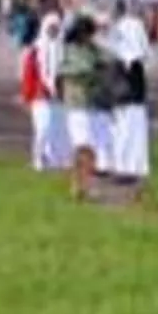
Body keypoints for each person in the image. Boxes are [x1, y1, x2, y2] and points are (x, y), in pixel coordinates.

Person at [55, 14, 108, 202]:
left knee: (90, 148)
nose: (90, 37)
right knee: (82, 147)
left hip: (91, 104)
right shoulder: (71, 51)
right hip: (77, 105)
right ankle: (79, 185)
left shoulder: (92, 49)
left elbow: (109, 58)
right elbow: (77, 70)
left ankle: (83, 186)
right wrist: (96, 70)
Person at [106, 6, 153, 194]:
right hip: (126, 101)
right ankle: (126, 166)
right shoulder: (127, 59)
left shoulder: (128, 60)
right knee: (125, 134)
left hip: (129, 101)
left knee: (128, 134)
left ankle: (129, 167)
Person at [20, 12, 65, 172]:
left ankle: (55, 158)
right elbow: (28, 74)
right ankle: (38, 157)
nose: (54, 31)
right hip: (40, 95)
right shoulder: (36, 50)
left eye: (56, 28)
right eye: (51, 28)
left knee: (58, 128)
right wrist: (27, 96)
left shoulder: (62, 49)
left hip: (59, 95)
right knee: (43, 128)